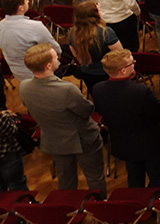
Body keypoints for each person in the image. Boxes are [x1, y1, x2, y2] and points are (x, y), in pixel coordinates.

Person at [19, 43, 107, 196]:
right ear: (48, 65)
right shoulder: (67, 89)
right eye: (55, 57)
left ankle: (69, 209)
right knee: (95, 178)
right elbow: (87, 110)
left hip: (54, 140)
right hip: (83, 139)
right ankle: (99, 209)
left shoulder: (24, 87)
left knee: (66, 181)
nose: (59, 58)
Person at [92, 49, 160, 188]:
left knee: (134, 177)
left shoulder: (98, 89)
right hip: (150, 143)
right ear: (122, 70)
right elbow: (158, 110)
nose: (134, 64)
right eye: (131, 63)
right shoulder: (140, 91)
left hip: (123, 143)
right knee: (158, 178)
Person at [0, 0, 61, 81]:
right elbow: (56, 49)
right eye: (26, 0)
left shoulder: (1, 25)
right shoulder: (35, 27)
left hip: (17, 72)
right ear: (20, 8)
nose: (28, 1)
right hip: (41, 72)